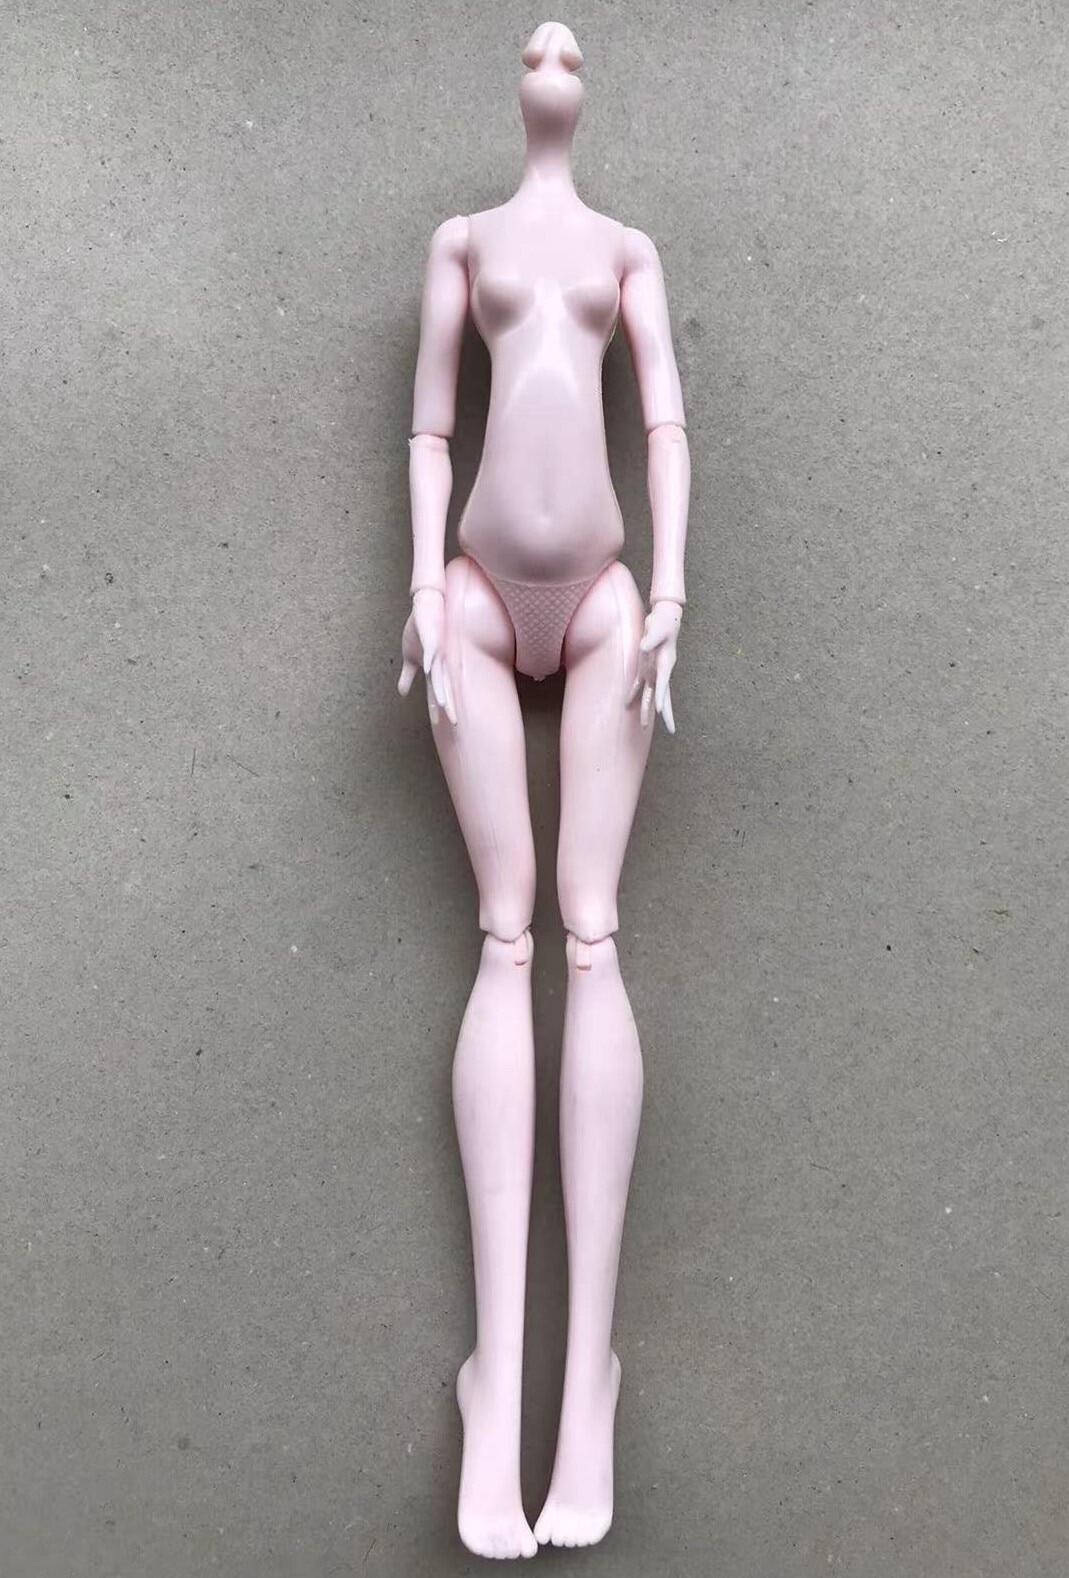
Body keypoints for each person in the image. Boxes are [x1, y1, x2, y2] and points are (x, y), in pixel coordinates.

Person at [398, 20, 690, 1558]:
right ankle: (492, 1380)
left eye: (571, 44)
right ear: (519, 82)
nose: (555, 44)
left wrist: (673, 595)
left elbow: (667, 427)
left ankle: (585, 1390)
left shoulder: (627, 251)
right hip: (468, 598)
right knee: (504, 932)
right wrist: (413, 587)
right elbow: (429, 426)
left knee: (590, 928)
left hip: (601, 605)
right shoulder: (463, 241)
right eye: (535, 42)